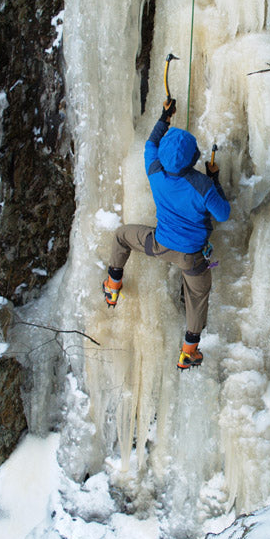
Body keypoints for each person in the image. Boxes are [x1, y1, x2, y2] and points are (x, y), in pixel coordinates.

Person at [102, 97, 230, 369]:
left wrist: (164, 117)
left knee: (122, 235)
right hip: (191, 258)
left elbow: (150, 143)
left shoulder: (155, 170)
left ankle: (113, 285)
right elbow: (223, 214)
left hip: (158, 245)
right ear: (193, 158)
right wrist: (215, 180)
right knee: (197, 298)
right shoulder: (202, 185)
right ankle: (188, 352)